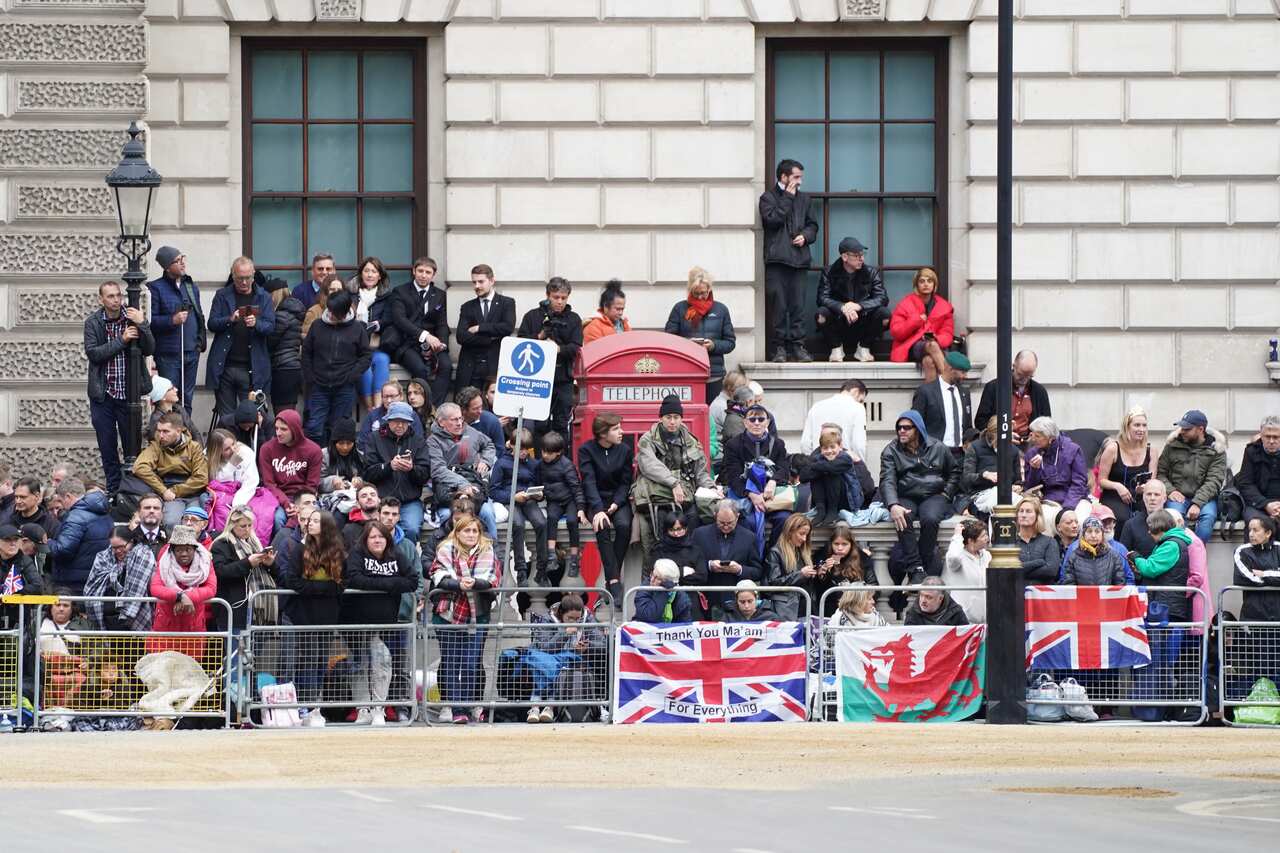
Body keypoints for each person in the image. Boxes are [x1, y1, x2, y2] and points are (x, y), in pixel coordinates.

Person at [343, 520, 416, 726]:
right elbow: (354, 579)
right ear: (366, 540)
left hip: (385, 623)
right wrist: (390, 584)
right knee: (359, 665)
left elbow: (411, 580)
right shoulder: (357, 555)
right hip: (356, 622)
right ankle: (362, 708)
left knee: (382, 662)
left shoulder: (396, 556)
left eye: (381, 536)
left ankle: (379, 707)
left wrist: (377, 583)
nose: (377, 540)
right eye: (373, 537)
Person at [85, 280, 155, 493]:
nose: (116, 300)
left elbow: (150, 348)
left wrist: (142, 324)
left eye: (118, 295)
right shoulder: (94, 322)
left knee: (132, 448)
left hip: (128, 395)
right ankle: (114, 492)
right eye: (111, 296)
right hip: (103, 395)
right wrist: (122, 340)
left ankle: (131, 492)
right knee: (107, 448)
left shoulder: (132, 317)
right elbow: (94, 354)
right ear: (101, 299)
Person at [429, 512, 498, 725]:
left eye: (474, 530)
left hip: (478, 615)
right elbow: (438, 576)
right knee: (451, 662)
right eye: (466, 530)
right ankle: (456, 708)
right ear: (457, 533)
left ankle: (468, 706)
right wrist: (458, 584)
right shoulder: (444, 550)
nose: (470, 534)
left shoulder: (488, 551)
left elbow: (492, 579)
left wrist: (475, 583)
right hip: (447, 614)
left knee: (471, 663)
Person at [278, 510, 345, 723]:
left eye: (316, 520)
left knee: (320, 660)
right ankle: (305, 706)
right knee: (307, 659)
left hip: (327, 614)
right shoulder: (300, 549)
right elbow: (292, 581)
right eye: (309, 520)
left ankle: (315, 705)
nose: (310, 523)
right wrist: (323, 588)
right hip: (304, 614)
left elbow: (342, 584)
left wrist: (318, 588)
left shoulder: (337, 551)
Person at [633, 395, 719, 563]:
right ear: (661, 418)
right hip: (655, 494)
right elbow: (649, 465)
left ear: (681, 418)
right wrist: (673, 483)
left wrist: (712, 488)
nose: (672, 421)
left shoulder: (690, 441)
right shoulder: (648, 439)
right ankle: (654, 567)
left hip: (684, 495)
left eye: (676, 417)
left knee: (695, 516)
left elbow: (700, 472)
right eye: (668, 417)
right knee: (659, 526)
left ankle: (687, 562)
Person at [881, 410, 959, 580]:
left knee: (930, 519)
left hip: (934, 495)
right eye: (899, 427)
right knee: (903, 517)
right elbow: (887, 480)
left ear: (918, 429)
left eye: (907, 427)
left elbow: (954, 471)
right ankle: (916, 567)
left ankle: (921, 565)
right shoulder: (891, 450)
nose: (902, 431)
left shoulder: (938, 447)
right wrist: (893, 504)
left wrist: (947, 494)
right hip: (905, 495)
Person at [759, 158, 817, 363]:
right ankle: (779, 349)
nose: (800, 181)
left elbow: (813, 225)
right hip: (777, 262)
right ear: (784, 177)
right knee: (779, 307)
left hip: (799, 261)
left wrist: (806, 236)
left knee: (798, 307)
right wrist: (788, 198)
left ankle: (798, 346)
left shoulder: (805, 199)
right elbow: (772, 220)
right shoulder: (768, 198)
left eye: (801, 177)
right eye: (796, 177)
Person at [205, 257, 276, 419]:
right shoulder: (222, 295)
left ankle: (248, 445)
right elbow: (212, 324)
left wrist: (256, 324)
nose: (244, 282)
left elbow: (271, 327)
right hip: (225, 367)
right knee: (227, 418)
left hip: (252, 369)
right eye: (239, 278)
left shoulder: (264, 297)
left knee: (251, 418)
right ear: (233, 275)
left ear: (253, 275)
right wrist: (230, 319)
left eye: (247, 278)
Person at [302, 289, 372, 446]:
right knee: (314, 428)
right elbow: (306, 352)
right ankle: (316, 462)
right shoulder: (317, 326)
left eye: (336, 313)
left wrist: (352, 376)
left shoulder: (357, 328)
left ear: (345, 311)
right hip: (319, 385)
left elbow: (366, 356)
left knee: (339, 429)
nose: (332, 315)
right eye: (331, 311)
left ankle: (335, 464)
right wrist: (310, 376)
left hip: (345, 387)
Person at [516, 277, 583, 440]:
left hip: (563, 378)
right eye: (555, 297)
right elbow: (520, 342)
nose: (560, 302)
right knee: (539, 423)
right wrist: (539, 337)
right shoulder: (532, 316)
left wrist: (557, 349)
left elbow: (576, 347)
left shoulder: (573, 318)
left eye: (563, 298)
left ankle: (561, 462)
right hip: (537, 378)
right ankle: (540, 460)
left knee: (561, 423)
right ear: (547, 295)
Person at [578, 412, 633, 607]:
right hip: (596, 499)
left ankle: (611, 577)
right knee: (601, 526)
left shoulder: (625, 450)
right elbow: (589, 481)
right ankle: (615, 582)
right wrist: (599, 509)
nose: (621, 432)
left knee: (624, 525)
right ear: (603, 433)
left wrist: (617, 503)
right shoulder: (586, 450)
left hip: (619, 500)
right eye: (616, 429)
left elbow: (627, 481)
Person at [526, 593, 607, 723]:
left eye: (577, 619)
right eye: (570, 618)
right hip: (551, 660)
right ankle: (542, 707)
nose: (574, 622)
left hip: (577, 661)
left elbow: (602, 643)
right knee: (544, 663)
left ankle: (542, 707)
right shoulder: (548, 618)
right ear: (561, 613)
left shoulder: (588, 618)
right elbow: (544, 647)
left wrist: (588, 647)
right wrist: (564, 633)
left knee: (548, 665)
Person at [720, 402, 790, 551]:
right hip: (745, 497)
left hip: (771, 497)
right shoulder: (734, 445)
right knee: (747, 522)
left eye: (761, 419)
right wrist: (751, 494)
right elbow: (732, 477)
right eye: (752, 420)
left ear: (768, 422)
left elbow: (784, 468)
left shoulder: (777, 444)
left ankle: (771, 555)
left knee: (784, 519)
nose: (756, 423)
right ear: (745, 422)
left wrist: (773, 482)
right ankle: (752, 560)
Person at [425, 403, 498, 540]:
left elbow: (489, 445)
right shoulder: (433, 441)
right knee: (447, 515)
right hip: (448, 490)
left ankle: (494, 554)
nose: (459, 423)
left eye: (460, 419)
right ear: (441, 422)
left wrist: (486, 461)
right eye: (454, 420)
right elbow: (437, 470)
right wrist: (462, 484)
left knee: (487, 512)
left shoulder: (471, 432)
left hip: (473, 485)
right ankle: (449, 554)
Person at [387, 256, 452, 408]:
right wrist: (425, 336)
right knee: (420, 370)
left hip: (434, 344)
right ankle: (422, 409)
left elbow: (442, 323)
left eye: (428, 272)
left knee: (446, 366)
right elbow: (400, 320)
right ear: (414, 271)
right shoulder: (400, 292)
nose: (423, 275)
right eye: (420, 271)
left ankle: (434, 409)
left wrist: (441, 344)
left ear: (433, 275)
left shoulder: (440, 295)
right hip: (407, 344)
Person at [147, 246, 205, 414]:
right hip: (169, 354)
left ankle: (185, 434)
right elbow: (151, 321)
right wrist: (172, 320)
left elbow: (199, 314)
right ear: (167, 266)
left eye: (183, 259)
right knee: (170, 397)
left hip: (191, 351)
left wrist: (199, 342)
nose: (182, 263)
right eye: (177, 261)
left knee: (188, 397)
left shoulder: (190, 286)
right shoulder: (155, 288)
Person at [363, 402, 432, 544]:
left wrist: (412, 469)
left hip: (409, 501)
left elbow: (425, 475)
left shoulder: (418, 441)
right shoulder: (374, 439)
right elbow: (367, 473)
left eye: (405, 422)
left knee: (411, 529)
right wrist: (389, 467)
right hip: (381, 500)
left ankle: (406, 563)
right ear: (388, 420)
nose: (400, 425)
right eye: (396, 421)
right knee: (376, 530)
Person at [664, 267, 736, 403]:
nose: (700, 297)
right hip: (686, 373)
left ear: (709, 289)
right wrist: (688, 344)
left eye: (703, 293)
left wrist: (713, 345)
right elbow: (668, 340)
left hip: (714, 374)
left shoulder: (721, 310)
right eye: (696, 293)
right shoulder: (680, 309)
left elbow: (730, 343)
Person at [148, 524, 218, 659]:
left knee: (189, 675)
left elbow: (211, 588)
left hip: (193, 628)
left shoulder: (205, 563)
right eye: (179, 550)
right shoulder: (164, 562)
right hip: (165, 628)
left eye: (188, 549)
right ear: (172, 550)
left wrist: (187, 597)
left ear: (195, 549)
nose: (184, 553)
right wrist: (178, 596)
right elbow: (155, 588)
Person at [1157, 409, 1227, 543]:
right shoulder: (1172, 445)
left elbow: (1214, 481)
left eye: (1187, 429)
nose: (1182, 431)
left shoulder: (1216, 450)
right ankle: (1179, 554)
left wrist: (1197, 503)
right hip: (1177, 496)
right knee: (1173, 518)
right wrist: (1170, 490)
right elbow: (1160, 473)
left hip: (1205, 499)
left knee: (1207, 518)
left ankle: (1197, 556)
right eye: (1182, 427)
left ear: (1200, 429)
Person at [812, 237, 887, 363]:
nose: (862, 259)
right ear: (845, 257)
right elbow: (822, 298)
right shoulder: (829, 272)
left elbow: (882, 298)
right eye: (857, 256)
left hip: (863, 321)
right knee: (821, 314)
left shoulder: (871, 272)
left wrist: (859, 306)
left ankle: (864, 347)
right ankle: (835, 347)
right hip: (839, 321)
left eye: (863, 255)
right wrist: (842, 307)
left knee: (885, 314)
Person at [489, 426, 546, 586]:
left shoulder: (533, 464)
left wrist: (540, 494)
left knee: (541, 523)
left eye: (528, 449)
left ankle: (542, 568)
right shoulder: (502, 464)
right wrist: (513, 496)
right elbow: (493, 491)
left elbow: (538, 484)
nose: (524, 453)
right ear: (512, 445)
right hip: (510, 499)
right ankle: (521, 570)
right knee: (517, 524)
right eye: (521, 449)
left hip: (528, 499)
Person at [131, 413, 210, 528]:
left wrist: (175, 491)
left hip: (193, 493)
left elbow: (201, 478)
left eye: (166, 431)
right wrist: (163, 490)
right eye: (159, 431)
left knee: (195, 523)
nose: (161, 435)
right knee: (171, 523)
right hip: (169, 491)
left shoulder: (193, 447)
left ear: (178, 431)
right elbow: (139, 467)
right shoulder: (156, 446)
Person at [692, 500, 765, 615]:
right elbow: (691, 564)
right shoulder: (699, 534)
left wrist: (739, 569)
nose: (726, 526)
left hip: (737, 604)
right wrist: (709, 565)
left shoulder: (749, 537)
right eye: (721, 522)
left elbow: (757, 571)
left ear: (737, 517)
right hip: (707, 599)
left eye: (730, 523)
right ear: (715, 516)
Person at [210, 506, 275, 633]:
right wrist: (248, 563)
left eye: (250, 525)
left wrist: (270, 564)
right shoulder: (221, 544)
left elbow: (275, 575)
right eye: (243, 526)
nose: (247, 529)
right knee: (235, 652)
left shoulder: (255, 543)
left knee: (254, 652)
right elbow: (220, 572)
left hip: (258, 610)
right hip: (233, 610)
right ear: (232, 525)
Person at [205, 427, 274, 544]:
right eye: (227, 449)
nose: (233, 449)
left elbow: (250, 481)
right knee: (222, 513)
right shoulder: (207, 458)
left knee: (258, 515)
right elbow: (214, 479)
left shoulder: (242, 453)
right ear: (217, 452)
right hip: (220, 493)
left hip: (245, 492)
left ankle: (253, 546)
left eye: (234, 444)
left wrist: (238, 504)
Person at [258, 409, 324, 532]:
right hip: (279, 498)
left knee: (314, 520)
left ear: (295, 430)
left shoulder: (313, 450)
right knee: (278, 519)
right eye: (276, 428)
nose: (278, 433)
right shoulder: (267, 449)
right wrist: (286, 503)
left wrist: (300, 505)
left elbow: (311, 485)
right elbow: (269, 484)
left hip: (305, 497)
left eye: (283, 429)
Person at [455, 264, 516, 393]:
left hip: (495, 366)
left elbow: (507, 327)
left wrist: (480, 328)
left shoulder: (507, 303)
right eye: (474, 282)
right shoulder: (467, 307)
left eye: (481, 282)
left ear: (492, 281)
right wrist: (490, 338)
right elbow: (461, 336)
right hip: (471, 368)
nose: (476, 286)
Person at [82, 524, 155, 631]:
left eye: (121, 547)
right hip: (107, 617)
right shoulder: (103, 557)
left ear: (131, 541)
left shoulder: (143, 555)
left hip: (135, 616)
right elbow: (92, 587)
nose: (117, 551)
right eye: (114, 548)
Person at [1096, 406, 1159, 526]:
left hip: (1140, 496)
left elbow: (1153, 481)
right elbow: (1101, 480)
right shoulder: (1113, 449)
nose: (1141, 429)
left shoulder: (1152, 450)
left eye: (1144, 425)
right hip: (1114, 495)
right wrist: (1118, 486)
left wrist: (1146, 487)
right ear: (1127, 426)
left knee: (1149, 519)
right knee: (1121, 519)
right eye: (1137, 425)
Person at [347, 256, 395, 413]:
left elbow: (389, 318)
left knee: (382, 360)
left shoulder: (387, 296)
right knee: (364, 367)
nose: (369, 275)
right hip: (356, 347)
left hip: (376, 344)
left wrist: (377, 325)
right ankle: (371, 411)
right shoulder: (350, 294)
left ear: (379, 275)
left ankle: (379, 407)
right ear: (361, 274)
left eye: (373, 271)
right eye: (366, 271)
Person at [975, 350, 1051, 446]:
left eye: (1029, 376)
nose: (1024, 380)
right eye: (1020, 374)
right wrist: (1000, 434)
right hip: (999, 445)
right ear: (1013, 366)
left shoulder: (1039, 391)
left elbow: (1047, 424)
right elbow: (980, 421)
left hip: (1028, 446)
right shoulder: (993, 387)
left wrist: (1036, 438)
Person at [538, 431, 585, 583]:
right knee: (551, 518)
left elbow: (576, 488)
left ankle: (574, 558)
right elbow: (539, 483)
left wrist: (580, 509)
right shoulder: (541, 465)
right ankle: (551, 555)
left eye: (548, 453)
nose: (545, 455)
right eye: (543, 451)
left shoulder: (567, 466)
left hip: (569, 500)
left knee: (572, 522)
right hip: (554, 501)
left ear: (558, 453)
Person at [1130, 509, 1192, 621]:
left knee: (1160, 638)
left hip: (1166, 608)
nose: (1148, 532)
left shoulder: (1171, 545)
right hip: (1167, 606)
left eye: (1150, 528)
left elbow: (1150, 568)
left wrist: (1136, 557)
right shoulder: (1171, 543)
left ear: (1158, 527)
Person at [888, 266, 952, 376]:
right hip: (911, 347)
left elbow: (947, 334)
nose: (926, 284)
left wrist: (936, 338)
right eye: (922, 281)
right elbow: (896, 332)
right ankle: (949, 381)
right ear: (917, 285)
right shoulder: (905, 304)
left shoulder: (944, 307)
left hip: (935, 346)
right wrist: (915, 321)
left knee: (929, 362)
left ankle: (931, 393)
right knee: (932, 346)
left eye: (929, 281)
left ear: (934, 285)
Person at [911, 351, 973, 457]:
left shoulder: (965, 393)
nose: (965, 376)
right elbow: (915, 425)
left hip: (961, 455)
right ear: (950, 369)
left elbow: (967, 425)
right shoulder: (925, 392)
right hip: (935, 454)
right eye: (962, 372)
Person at [1022, 416, 1089, 514]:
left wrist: (1067, 508)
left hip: (1075, 499)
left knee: (1078, 517)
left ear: (1050, 438)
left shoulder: (1073, 450)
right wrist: (1034, 470)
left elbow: (1079, 483)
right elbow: (1030, 487)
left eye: (1038, 436)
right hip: (1047, 500)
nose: (1033, 439)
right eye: (1032, 435)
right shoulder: (1032, 454)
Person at [765, 513, 821, 621]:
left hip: (806, 607)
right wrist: (801, 574)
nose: (804, 538)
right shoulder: (776, 552)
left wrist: (819, 573)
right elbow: (773, 582)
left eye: (807, 535)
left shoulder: (804, 552)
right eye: (802, 534)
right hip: (787, 609)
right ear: (790, 531)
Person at [814, 523, 876, 616]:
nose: (840, 548)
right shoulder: (822, 557)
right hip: (830, 610)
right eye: (836, 544)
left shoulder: (862, 558)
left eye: (844, 544)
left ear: (851, 545)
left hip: (857, 608)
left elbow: (873, 584)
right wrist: (823, 573)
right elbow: (817, 588)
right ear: (831, 544)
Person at [263, 277, 305, 412]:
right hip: (293, 368)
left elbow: (269, 342)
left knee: (282, 414)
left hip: (282, 369)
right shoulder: (293, 311)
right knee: (288, 412)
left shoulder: (281, 316)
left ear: (273, 295)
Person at [799, 379, 867, 459]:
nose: (861, 403)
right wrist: (860, 465)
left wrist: (812, 463)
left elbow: (805, 443)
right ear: (855, 391)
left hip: (818, 466)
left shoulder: (816, 406)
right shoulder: (858, 408)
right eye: (861, 400)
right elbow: (859, 445)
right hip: (845, 466)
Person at [1233, 515, 1280, 625]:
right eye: (1250, 530)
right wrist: (1275, 577)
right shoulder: (1242, 551)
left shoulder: (1278, 549)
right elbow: (1243, 578)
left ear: (1268, 533)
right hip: (1253, 615)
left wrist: (1263, 574)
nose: (1251, 534)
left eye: (1255, 530)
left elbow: (1256, 578)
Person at [1235, 415, 1280, 526]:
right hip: (1258, 504)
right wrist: (1266, 504)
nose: (1271, 441)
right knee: (1256, 525)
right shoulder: (1251, 451)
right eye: (1267, 436)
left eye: (1276, 437)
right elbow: (1245, 484)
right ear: (1261, 435)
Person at [357, 381, 423, 456]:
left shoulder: (412, 415)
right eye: (385, 397)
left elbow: (418, 441)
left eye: (392, 396)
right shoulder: (373, 415)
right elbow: (363, 442)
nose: (389, 400)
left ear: (401, 396)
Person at [943, 518, 989, 623]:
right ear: (970, 541)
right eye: (983, 536)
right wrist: (957, 536)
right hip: (964, 622)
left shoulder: (987, 555)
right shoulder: (958, 558)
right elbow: (953, 557)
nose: (987, 538)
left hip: (986, 622)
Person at [1062, 517, 1128, 586]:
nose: (1093, 535)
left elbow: (1120, 584)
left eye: (1097, 531)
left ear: (1102, 534)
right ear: (1083, 534)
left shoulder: (1114, 556)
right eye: (1089, 531)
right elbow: (1069, 585)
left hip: (1106, 596)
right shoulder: (1073, 557)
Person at [1014, 496, 1060, 585]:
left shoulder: (1049, 542)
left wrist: (1022, 570)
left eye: (1028, 511)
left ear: (1037, 515)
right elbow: (1009, 572)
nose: (1023, 515)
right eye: (1021, 511)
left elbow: (1051, 571)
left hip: (1042, 596)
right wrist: (1038, 562)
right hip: (1017, 594)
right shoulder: (1011, 543)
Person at [1118, 478, 1166, 558]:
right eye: (1149, 494)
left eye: (1157, 494)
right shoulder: (1131, 525)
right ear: (1143, 497)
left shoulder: (1173, 522)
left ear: (1164, 498)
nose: (1152, 498)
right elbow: (1122, 557)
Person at [145, 376, 201, 444]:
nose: (176, 389)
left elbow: (195, 433)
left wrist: (199, 452)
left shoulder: (179, 409)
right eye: (171, 388)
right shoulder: (156, 419)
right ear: (162, 396)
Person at [319, 419, 365, 498]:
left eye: (349, 443)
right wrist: (332, 481)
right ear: (334, 442)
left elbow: (367, 477)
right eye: (341, 443)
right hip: (330, 497)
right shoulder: (323, 455)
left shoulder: (360, 456)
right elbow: (317, 481)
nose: (345, 447)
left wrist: (359, 481)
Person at [904, 576, 969, 627]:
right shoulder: (912, 613)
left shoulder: (956, 613)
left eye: (928, 597)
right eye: (921, 595)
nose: (923, 600)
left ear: (940, 598)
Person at [458, 385, 505, 453]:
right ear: (463, 410)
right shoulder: (453, 422)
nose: (480, 411)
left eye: (481, 406)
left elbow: (500, 450)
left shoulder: (492, 421)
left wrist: (485, 462)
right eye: (475, 409)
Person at [582, 280, 631, 344]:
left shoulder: (624, 324)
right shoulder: (593, 326)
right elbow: (594, 351)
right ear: (606, 307)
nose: (621, 313)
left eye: (622, 309)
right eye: (618, 309)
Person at [301, 275, 344, 341]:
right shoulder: (314, 311)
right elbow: (305, 336)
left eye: (339, 290)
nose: (336, 292)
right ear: (326, 292)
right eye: (332, 289)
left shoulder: (350, 310)